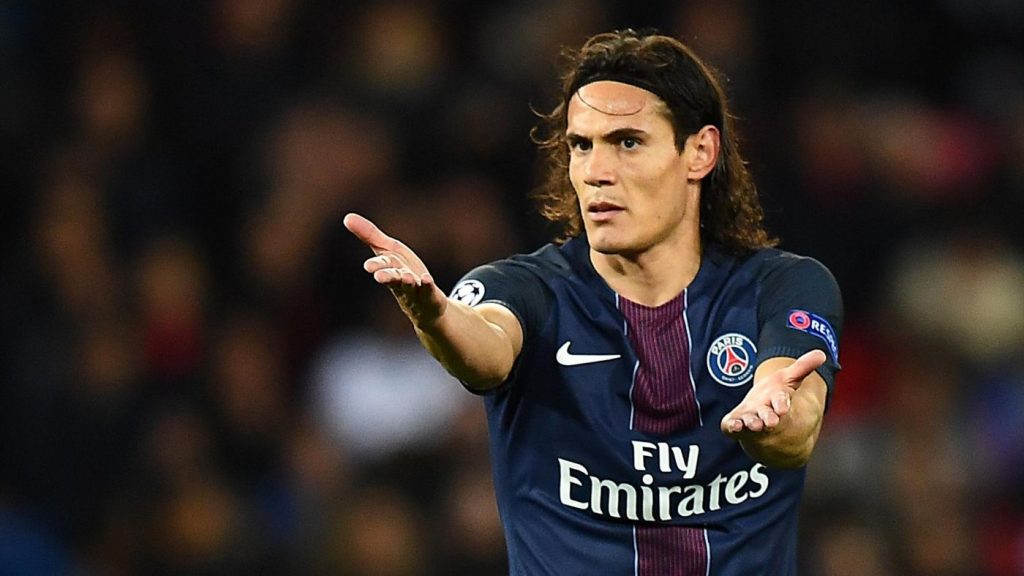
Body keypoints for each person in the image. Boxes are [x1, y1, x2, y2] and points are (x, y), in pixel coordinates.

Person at [344, 29, 842, 576]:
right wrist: (437, 317)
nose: (596, 171)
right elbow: (484, 348)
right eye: (582, 145)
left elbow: (796, 425)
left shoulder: (783, 287)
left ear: (699, 152)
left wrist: (772, 417)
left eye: (628, 142)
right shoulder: (526, 290)